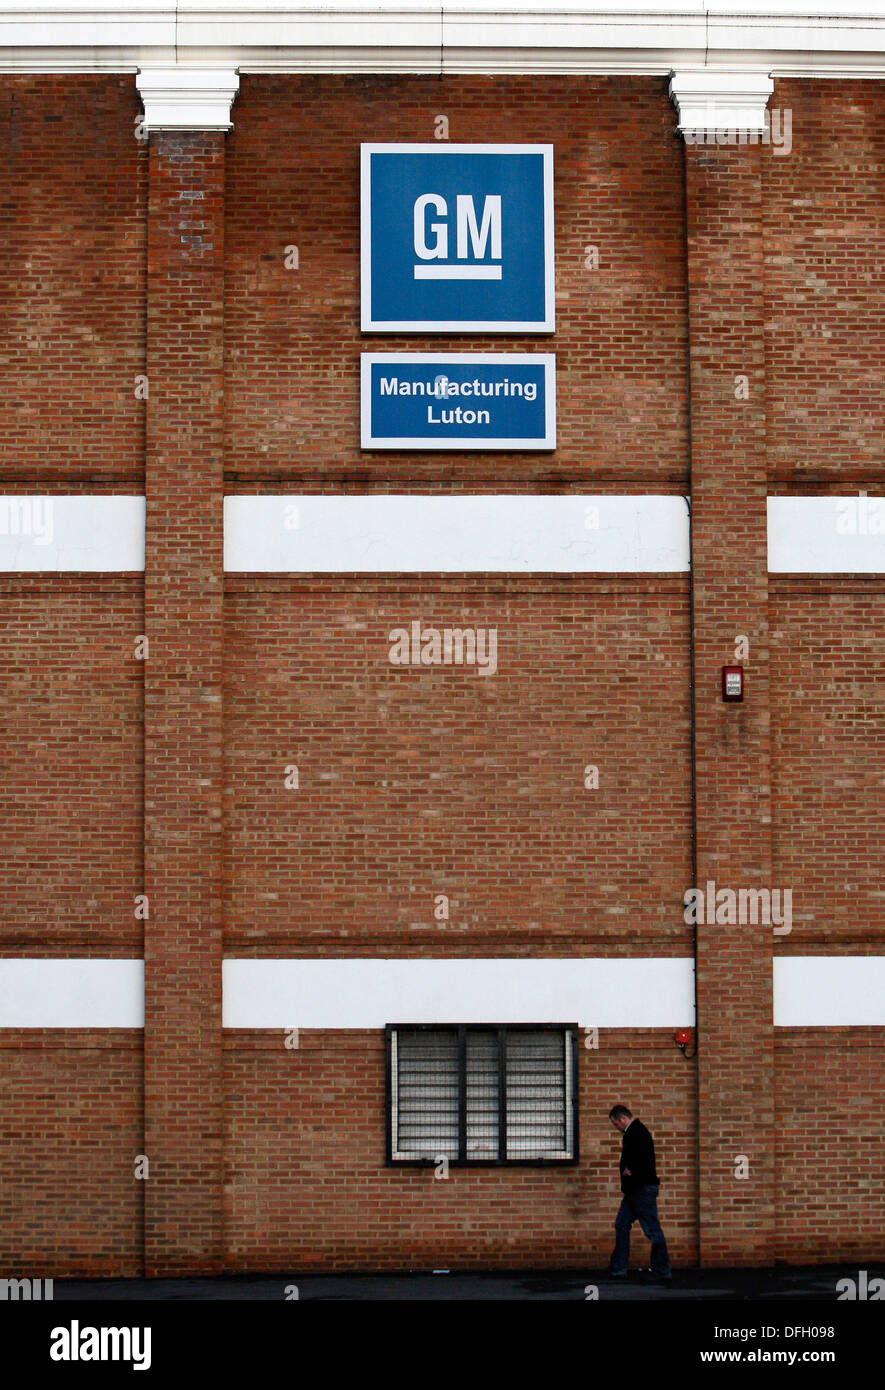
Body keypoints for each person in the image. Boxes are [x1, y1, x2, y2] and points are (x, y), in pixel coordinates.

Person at [605, 1104, 671, 1282]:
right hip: (636, 1189)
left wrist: (630, 1170)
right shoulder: (637, 1132)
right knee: (622, 1224)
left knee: (651, 1229)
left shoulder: (636, 1133)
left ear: (622, 1119)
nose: (616, 1129)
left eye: (616, 1125)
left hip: (640, 1188)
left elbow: (640, 1159)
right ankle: (618, 1267)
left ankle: (662, 1269)